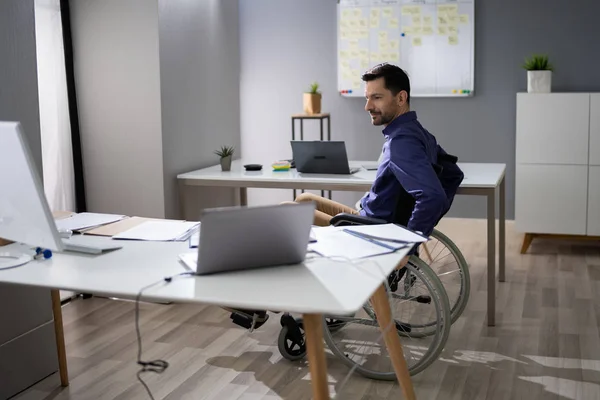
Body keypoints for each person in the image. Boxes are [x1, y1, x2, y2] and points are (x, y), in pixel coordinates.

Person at [227, 63, 463, 331]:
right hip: (370, 218)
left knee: (285, 213)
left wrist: (406, 245)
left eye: (376, 97)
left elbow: (432, 196)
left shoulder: (402, 143)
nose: (368, 106)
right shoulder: (415, 131)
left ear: (401, 98)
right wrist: (412, 225)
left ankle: (258, 301)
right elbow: (453, 174)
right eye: (367, 98)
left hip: (371, 232)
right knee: (304, 200)